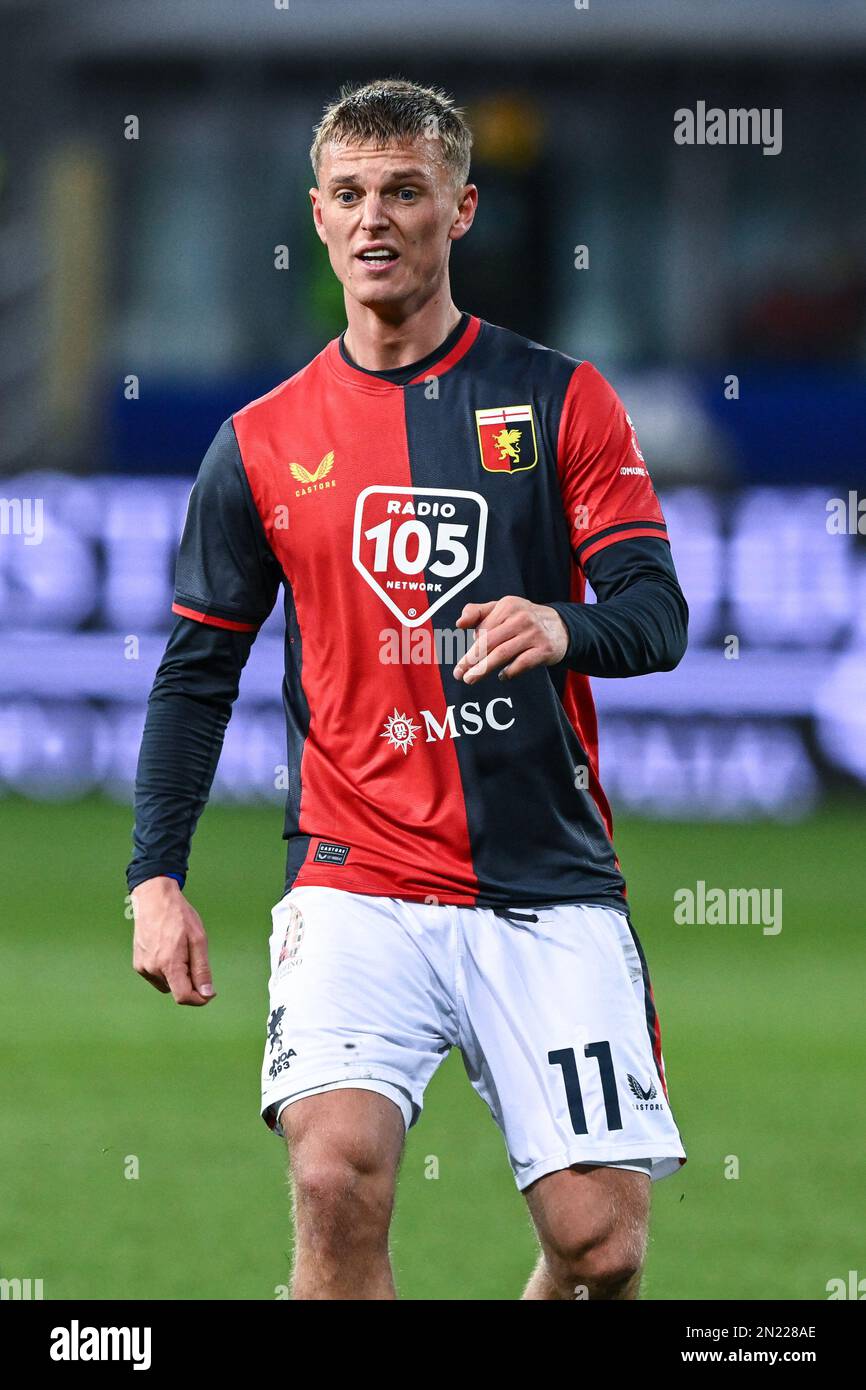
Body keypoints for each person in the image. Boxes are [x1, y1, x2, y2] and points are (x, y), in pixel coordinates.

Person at [128, 77, 688, 1301]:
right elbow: (195, 672)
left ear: (461, 209)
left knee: (599, 1249)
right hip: (353, 876)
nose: (373, 217)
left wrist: (562, 622)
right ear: (317, 220)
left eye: (403, 191)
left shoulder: (560, 400)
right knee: (334, 1182)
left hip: (543, 875)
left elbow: (658, 616)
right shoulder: (262, 440)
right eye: (347, 194)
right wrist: (155, 875)